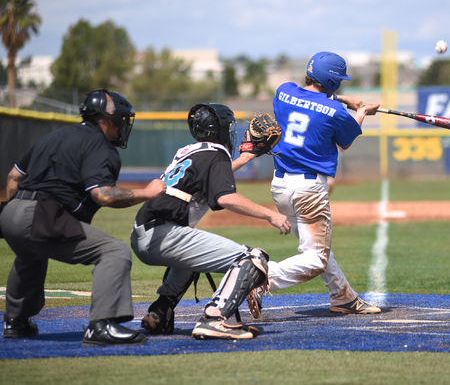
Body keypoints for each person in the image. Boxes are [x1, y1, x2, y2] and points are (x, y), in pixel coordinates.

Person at [0, 90, 166, 346]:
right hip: (41, 213)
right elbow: (103, 195)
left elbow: (13, 176)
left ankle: (15, 321)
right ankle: (101, 325)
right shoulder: (101, 146)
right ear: (107, 119)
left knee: (31, 254)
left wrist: (16, 213)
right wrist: (148, 192)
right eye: (122, 119)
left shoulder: (53, 135)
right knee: (114, 251)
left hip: (9, 213)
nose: (124, 125)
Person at [130, 103, 291, 340]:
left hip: (144, 233)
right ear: (220, 130)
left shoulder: (188, 151)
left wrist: (245, 158)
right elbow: (225, 196)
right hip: (165, 235)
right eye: (229, 127)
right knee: (251, 259)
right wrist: (271, 214)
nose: (231, 132)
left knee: (193, 258)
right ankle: (215, 319)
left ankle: (160, 310)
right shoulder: (216, 154)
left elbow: (215, 177)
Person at [246, 51, 381, 319]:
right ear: (333, 83)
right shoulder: (335, 111)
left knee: (315, 248)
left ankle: (344, 297)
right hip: (309, 191)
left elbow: (309, 100)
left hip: (280, 187)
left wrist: (342, 101)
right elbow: (345, 141)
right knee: (316, 258)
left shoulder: (284, 92)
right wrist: (362, 111)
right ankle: (260, 277)